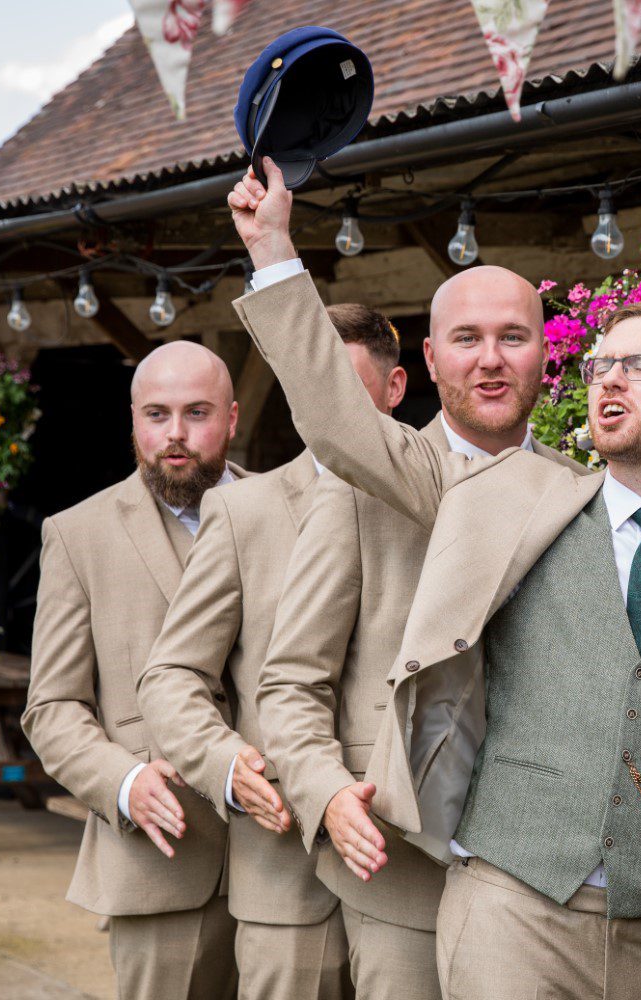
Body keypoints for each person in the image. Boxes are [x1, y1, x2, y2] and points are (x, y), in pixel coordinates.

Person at [228, 159, 641, 1000]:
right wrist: (274, 252)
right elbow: (342, 426)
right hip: (507, 901)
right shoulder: (510, 499)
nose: (611, 378)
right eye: (602, 364)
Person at [255, 288, 583, 999]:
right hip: (401, 875)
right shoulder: (355, 489)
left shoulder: (582, 495)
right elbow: (291, 680)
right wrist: (326, 791)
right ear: (431, 359)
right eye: (467, 339)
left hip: (546, 886)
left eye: (512, 337)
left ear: (545, 354)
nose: (491, 360)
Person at [137, 304, 423, 1000]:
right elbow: (172, 675)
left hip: (410, 861)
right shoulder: (244, 512)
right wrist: (225, 763)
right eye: (308, 386)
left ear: (395, 389)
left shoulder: (444, 498)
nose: (325, 407)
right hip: (282, 870)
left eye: (343, 388)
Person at [23, 341, 241, 1000]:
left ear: (231, 418)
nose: (175, 434)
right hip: (162, 860)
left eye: (197, 413)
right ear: (133, 422)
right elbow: (53, 707)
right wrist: (123, 782)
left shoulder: (291, 511)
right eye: (156, 414)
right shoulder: (77, 535)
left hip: (292, 863)